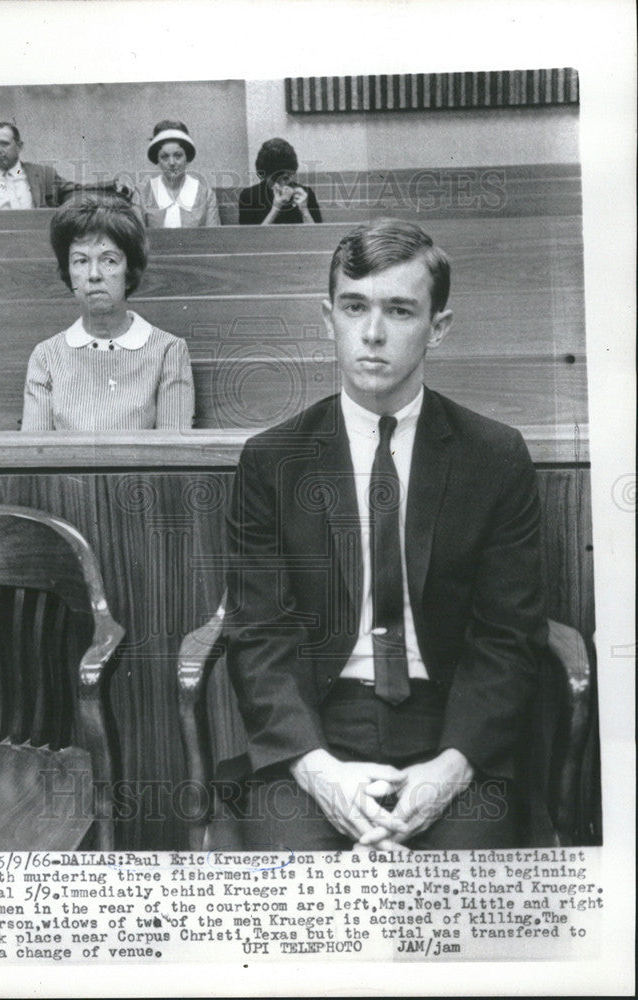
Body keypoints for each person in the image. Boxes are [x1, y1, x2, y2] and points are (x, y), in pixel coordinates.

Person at [224, 218, 548, 850]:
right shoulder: (271, 460)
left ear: (439, 327)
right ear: (328, 318)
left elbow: (509, 637)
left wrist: (453, 768)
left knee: (460, 915)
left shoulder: (495, 455)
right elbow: (258, 634)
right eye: (354, 307)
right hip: (314, 728)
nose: (372, 333)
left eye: (400, 310)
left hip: (453, 724)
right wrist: (318, 771)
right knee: (300, 913)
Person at [21, 195, 194, 431]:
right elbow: (36, 456)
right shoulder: (46, 357)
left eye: (109, 260)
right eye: (81, 261)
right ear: (68, 271)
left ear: (130, 270)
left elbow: (173, 457)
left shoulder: (167, 352)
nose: (93, 274)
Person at [0, 122, 78, 210]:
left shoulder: (44, 174)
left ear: (19, 146)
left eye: (4, 144)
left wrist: (61, 211)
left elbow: (75, 192)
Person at [134, 120, 220, 228]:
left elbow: (214, 240)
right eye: (164, 157)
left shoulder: (205, 193)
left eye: (178, 155)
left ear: (187, 157)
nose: (171, 163)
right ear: (157, 159)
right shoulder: (142, 193)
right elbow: (136, 240)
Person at [238, 138, 322, 225]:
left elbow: (318, 236)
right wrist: (276, 208)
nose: (285, 182)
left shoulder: (305, 194)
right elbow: (249, 237)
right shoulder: (249, 197)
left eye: (289, 176)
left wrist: (304, 210)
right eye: (277, 178)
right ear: (266, 176)